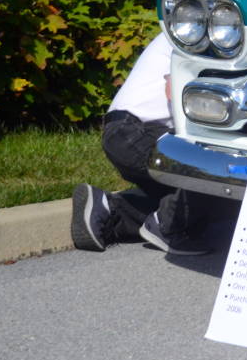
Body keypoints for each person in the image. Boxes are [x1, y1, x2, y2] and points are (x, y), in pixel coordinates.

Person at [71, 33, 212, 256]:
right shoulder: (193, 33)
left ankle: (109, 210)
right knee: (214, 167)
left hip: (126, 131)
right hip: (136, 132)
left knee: (207, 206)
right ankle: (167, 226)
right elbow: (176, 90)